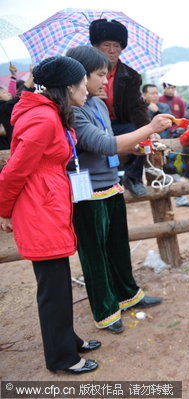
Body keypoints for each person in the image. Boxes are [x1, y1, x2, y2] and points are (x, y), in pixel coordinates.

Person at [0, 56, 100, 374]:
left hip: (49, 203)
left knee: (58, 282)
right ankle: (62, 358)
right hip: (38, 207)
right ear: (68, 86)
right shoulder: (42, 118)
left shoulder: (51, 114)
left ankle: (67, 340)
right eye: (83, 83)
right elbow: (15, 169)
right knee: (53, 288)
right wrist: (4, 211)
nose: (87, 89)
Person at [65, 46, 169, 334]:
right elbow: (103, 144)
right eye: (100, 75)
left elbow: (112, 142)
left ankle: (128, 295)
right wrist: (149, 128)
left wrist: (134, 147)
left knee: (117, 245)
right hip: (86, 192)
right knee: (94, 255)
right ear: (80, 76)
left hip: (110, 184)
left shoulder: (98, 105)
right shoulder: (71, 110)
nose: (104, 81)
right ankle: (105, 310)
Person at [90, 18, 151, 197]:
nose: (112, 50)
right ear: (95, 47)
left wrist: (147, 129)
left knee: (138, 133)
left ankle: (133, 178)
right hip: (94, 126)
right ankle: (106, 179)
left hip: (119, 125)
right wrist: (92, 97)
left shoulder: (131, 76)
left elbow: (137, 107)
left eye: (116, 45)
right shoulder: (84, 72)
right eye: (106, 45)